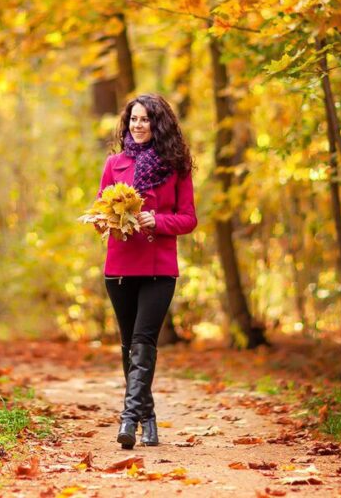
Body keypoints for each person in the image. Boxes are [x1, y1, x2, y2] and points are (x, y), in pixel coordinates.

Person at [96, 93, 197, 449]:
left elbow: (189, 218)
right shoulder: (114, 164)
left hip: (159, 268)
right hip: (120, 266)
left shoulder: (177, 166)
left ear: (159, 124)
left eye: (146, 119)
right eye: (134, 119)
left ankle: (128, 419)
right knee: (129, 348)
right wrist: (101, 220)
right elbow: (101, 206)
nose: (139, 125)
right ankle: (147, 417)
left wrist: (158, 220)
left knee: (143, 343)